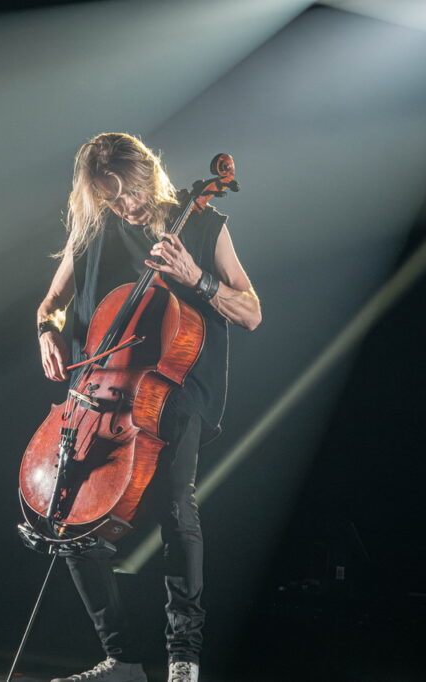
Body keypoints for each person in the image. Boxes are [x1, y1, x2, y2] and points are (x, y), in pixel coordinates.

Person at [36, 133, 261, 682]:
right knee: (72, 523)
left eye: (130, 192)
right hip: (100, 395)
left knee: (176, 511)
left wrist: (196, 279)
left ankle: (183, 658)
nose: (125, 206)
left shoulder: (202, 224)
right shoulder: (93, 229)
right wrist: (46, 330)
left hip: (175, 392)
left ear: (148, 173)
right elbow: (51, 304)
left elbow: (251, 311)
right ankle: (123, 659)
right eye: (111, 198)